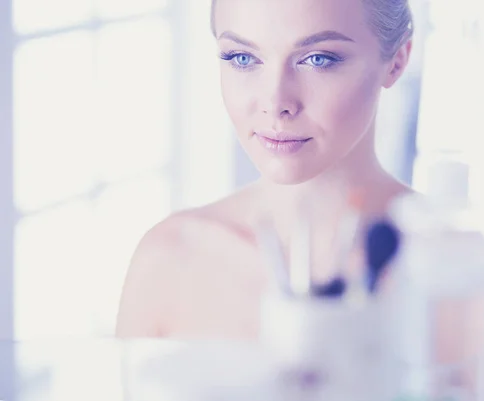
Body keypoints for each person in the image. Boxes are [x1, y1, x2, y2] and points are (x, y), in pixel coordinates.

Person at [115, 0, 415, 340]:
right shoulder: (168, 260)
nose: (275, 103)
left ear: (397, 60)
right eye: (242, 58)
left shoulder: (462, 276)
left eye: (318, 59)